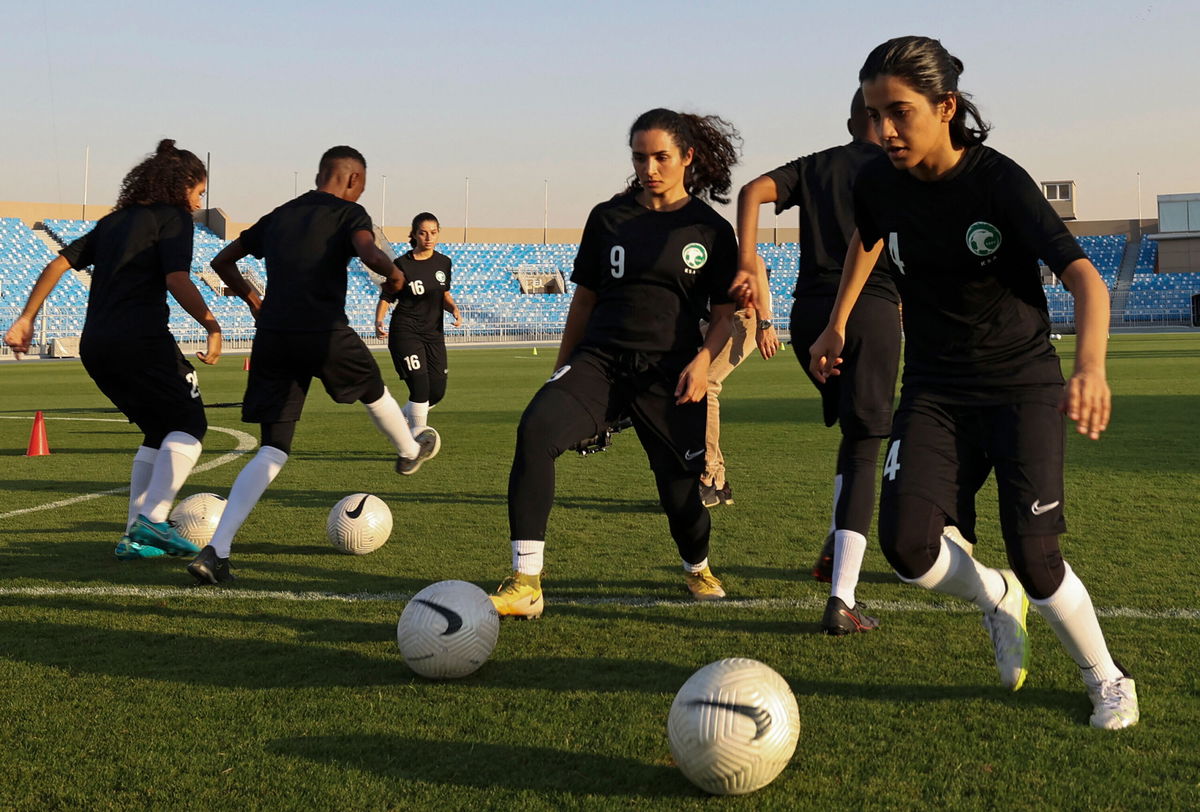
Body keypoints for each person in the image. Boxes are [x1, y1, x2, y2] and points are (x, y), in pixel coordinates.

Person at [809, 36, 1138, 728]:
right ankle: (995, 596)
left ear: (946, 106)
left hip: (1021, 384)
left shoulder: (998, 182)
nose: (885, 131)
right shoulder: (877, 181)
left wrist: (1091, 367)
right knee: (907, 549)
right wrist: (837, 323)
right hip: (933, 387)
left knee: (1038, 556)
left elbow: (1084, 277)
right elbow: (868, 239)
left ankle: (1107, 678)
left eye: (898, 112)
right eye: (874, 115)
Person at [489, 108, 743, 618]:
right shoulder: (608, 217)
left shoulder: (710, 229)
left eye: (661, 157)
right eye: (640, 157)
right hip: (599, 362)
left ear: (687, 157)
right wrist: (560, 372)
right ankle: (526, 581)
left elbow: (724, 313)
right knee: (536, 428)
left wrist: (702, 361)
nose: (649, 168)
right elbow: (583, 301)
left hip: (670, 374)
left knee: (680, 499)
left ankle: (697, 567)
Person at [187, 146, 439, 585]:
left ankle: (216, 550)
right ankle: (408, 450)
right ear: (354, 180)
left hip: (273, 337)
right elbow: (369, 252)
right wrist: (393, 276)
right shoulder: (350, 214)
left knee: (273, 447)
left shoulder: (281, 214)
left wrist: (253, 300)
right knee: (373, 387)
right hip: (322, 330)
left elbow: (221, 261)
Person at [3, 139, 220, 561]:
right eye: (199, 190)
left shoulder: (116, 221)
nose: (200, 200)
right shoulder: (173, 219)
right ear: (182, 185)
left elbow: (57, 264)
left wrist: (25, 317)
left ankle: (132, 537)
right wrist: (210, 324)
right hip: (141, 339)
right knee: (191, 425)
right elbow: (177, 279)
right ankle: (153, 520)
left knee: (158, 430)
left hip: (96, 346)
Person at [736, 90, 900, 635]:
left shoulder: (815, 165)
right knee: (864, 445)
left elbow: (751, 190)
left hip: (807, 314)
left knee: (852, 435)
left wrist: (745, 260)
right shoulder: (899, 167)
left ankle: (836, 544)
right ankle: (843, 600)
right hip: (867, 308)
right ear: (880, 118)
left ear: (851, 120)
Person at [697, 254, 775, 509]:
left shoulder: (706, 234)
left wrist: (765, 322)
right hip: (717, 319)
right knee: (689, 383)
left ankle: (708, 476)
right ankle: (718, 484)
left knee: (705, 385)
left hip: (743, 317)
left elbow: (756, 262)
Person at [374, 212, 462, 432]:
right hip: (406, 332)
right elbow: (387, 296)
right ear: (414, 235)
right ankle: (418, 440)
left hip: (433, 334)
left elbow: (443, 295)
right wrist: (379, 320)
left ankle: (400, 421)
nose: (428, 237)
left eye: (433, 232)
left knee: (437, 392)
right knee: (420, 389)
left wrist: (454, 309)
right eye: (423, 233)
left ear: (438, 233)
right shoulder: (402, 264)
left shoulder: (444, 263)